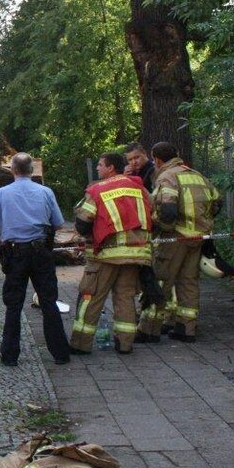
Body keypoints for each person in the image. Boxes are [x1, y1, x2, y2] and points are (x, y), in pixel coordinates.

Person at [0, 152, 70, 366]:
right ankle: (60, 354)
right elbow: (58, 224)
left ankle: (10, 356)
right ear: (32, 171)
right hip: (41, 253)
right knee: (49, 302)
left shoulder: (1, 194)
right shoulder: (45, 192)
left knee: (14, 305)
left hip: (14, 254)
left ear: (12, 170)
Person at [69, 152, 153, 355]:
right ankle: (125, 344)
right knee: (125, 297)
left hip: (105, 254)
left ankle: (81, 343)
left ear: (110, 168)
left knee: (92, 296)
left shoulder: (97, 189)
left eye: (100, 165)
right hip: (135, 253)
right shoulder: (138, 187)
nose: (97, 169)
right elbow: (154, 213)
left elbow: (83, 222)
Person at [136, 142, 220, 343]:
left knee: (161, 280)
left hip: (175, 237)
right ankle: (186, 328)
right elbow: (217, 202)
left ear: (156, 159)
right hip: (198, 238)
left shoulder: (167, 177)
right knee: (189, 281)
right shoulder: (197, 175)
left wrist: (160, 228)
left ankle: (149, 330)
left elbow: (168, 211)